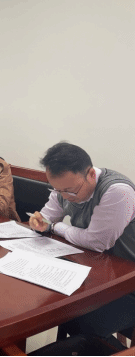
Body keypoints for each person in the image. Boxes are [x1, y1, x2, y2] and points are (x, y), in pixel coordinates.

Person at [29, 142, 135, 339]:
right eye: (57, 190)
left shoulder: (118, 191)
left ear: (91, 174)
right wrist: (38, 222)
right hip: (95, 272)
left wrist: (55, 227)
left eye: (71, 190)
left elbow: (96, 243)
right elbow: (45, 218)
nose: (65, 196)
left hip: (127, 283)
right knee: (39, 298)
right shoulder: (64, 189)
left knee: (70, 315)